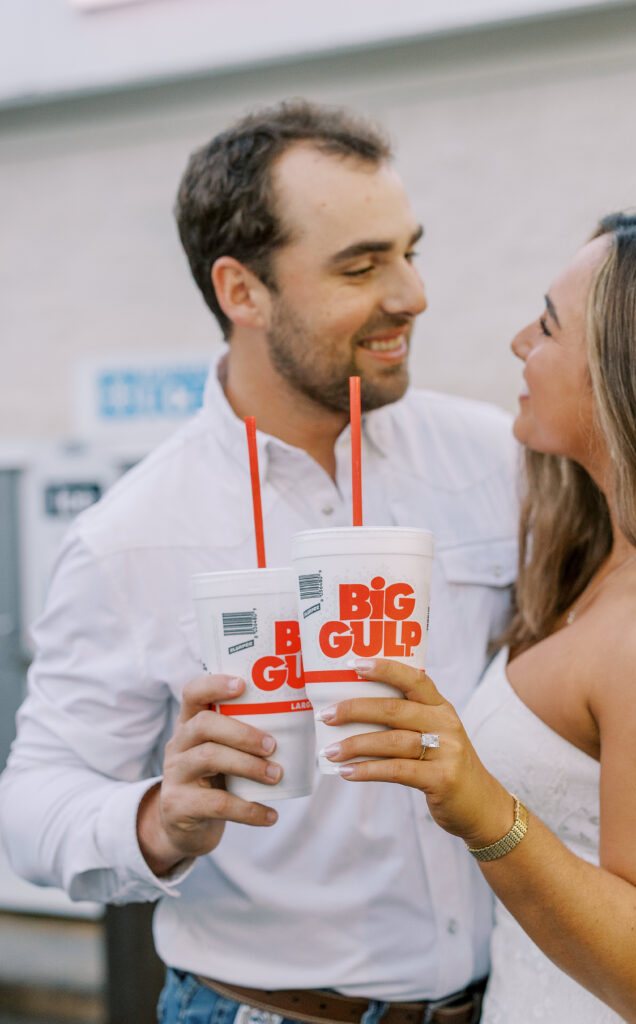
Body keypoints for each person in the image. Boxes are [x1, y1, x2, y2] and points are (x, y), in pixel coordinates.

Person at [0, 101, 518, 1024]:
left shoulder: (497, 459)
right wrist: (159, 817)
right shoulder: (133, 535)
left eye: (409, 250)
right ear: (241, 291)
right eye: (361, 265)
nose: (411, 294)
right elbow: (34, 806)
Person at [318, 213, 636, 1024]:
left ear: (626, 373)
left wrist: (478, 804)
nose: (520, 342)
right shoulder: (595, 566)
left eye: (548, 326)